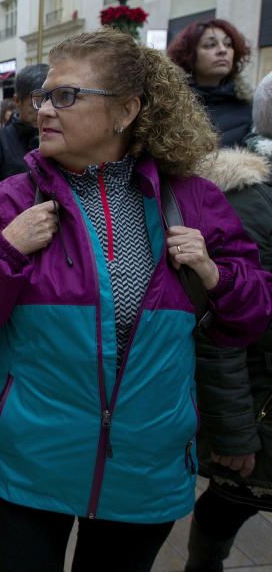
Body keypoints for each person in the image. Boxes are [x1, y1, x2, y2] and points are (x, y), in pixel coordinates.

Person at [0, 28, 272, 571]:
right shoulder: (13, 201)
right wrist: (6, 250)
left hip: (144, 467)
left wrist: (213, 274)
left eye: (66, 96)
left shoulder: (194, 201)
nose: (44, 109)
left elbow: (250, 320)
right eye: (44, 95)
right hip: (28, 465)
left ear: (127, 110)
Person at [184, 72, 272, 571]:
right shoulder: (250, 201)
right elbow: (223, 327)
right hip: (260, 410)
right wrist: (235, 433)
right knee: (226, 510)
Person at [168, 18, 253, 146]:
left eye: (228, 44)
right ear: (189, 55)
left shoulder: (250, 107)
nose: (222, 50)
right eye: (210, 45)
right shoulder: (171, 107)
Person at [0, 64, 49, 181]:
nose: (43, 111)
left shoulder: (56, 134)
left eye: (48, 101)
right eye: (35, 104)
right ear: (17, 100)